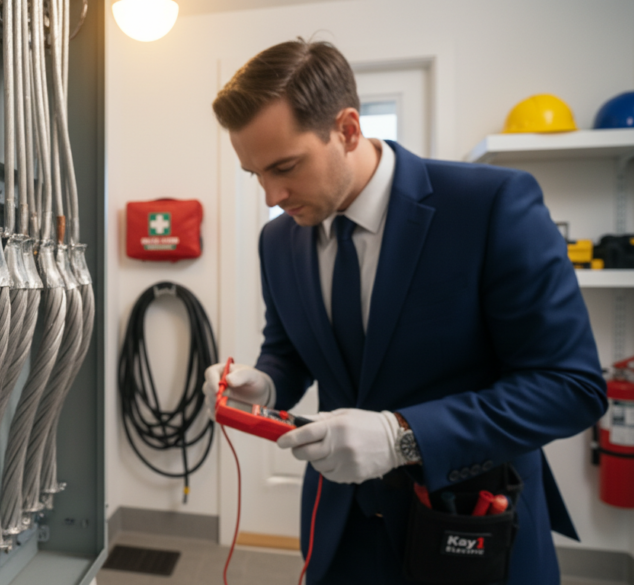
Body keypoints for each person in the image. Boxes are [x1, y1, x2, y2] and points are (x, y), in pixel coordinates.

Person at [203, 40, 606, 584]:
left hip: (467, 526)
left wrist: (402, 436)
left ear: (347, 129)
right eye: (255, 174)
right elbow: (290, 351)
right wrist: (267, 384)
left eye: (285, 166)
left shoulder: (490, 206)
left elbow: (570, 387)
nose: (273, 195)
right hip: (341, 531)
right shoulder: (278, 241)